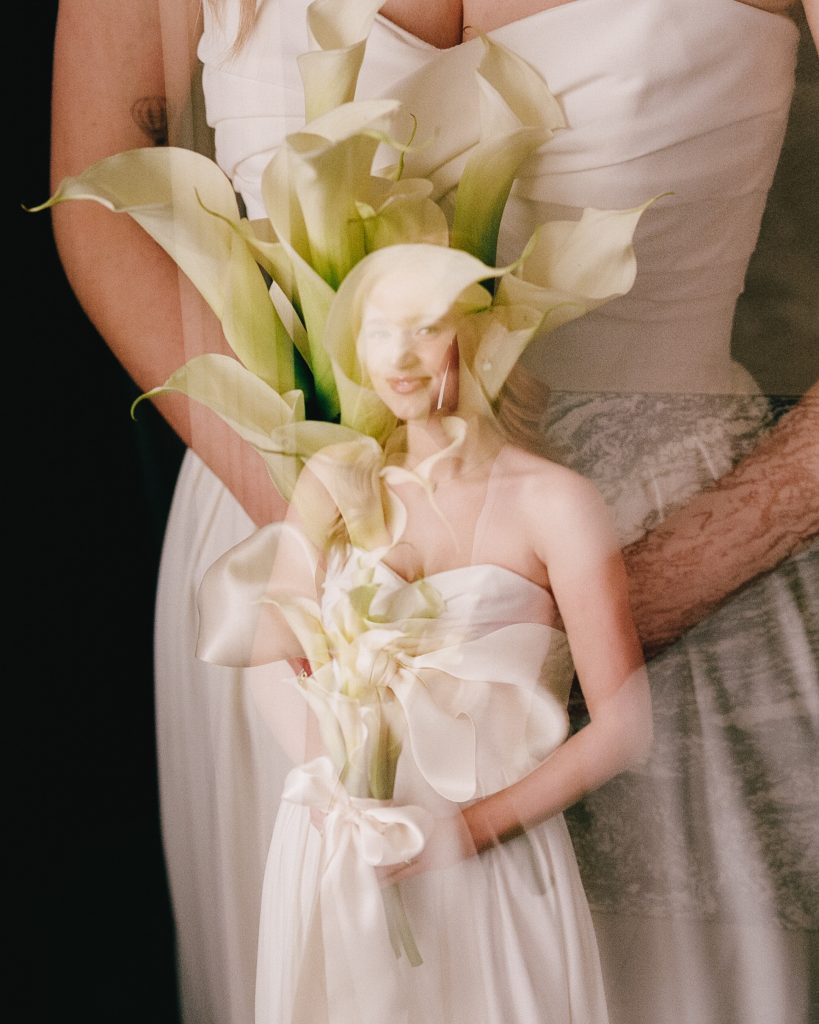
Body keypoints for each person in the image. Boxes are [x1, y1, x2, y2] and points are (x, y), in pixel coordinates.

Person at [49, 1, 818, 1022]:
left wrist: (626, 598)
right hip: (293, 573)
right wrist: (349, 561)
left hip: (688, 576)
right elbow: (100, 192)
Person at [192, 247, 650, 1023]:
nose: (398, 357)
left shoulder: (556, 503)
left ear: (482, 334)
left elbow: (624, 726)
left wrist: (463, 834)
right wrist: (344, 791)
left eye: (423, 328)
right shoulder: (335, 480)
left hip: (489, 851)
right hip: (343, 842)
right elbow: (267, 649)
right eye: (377, 332)